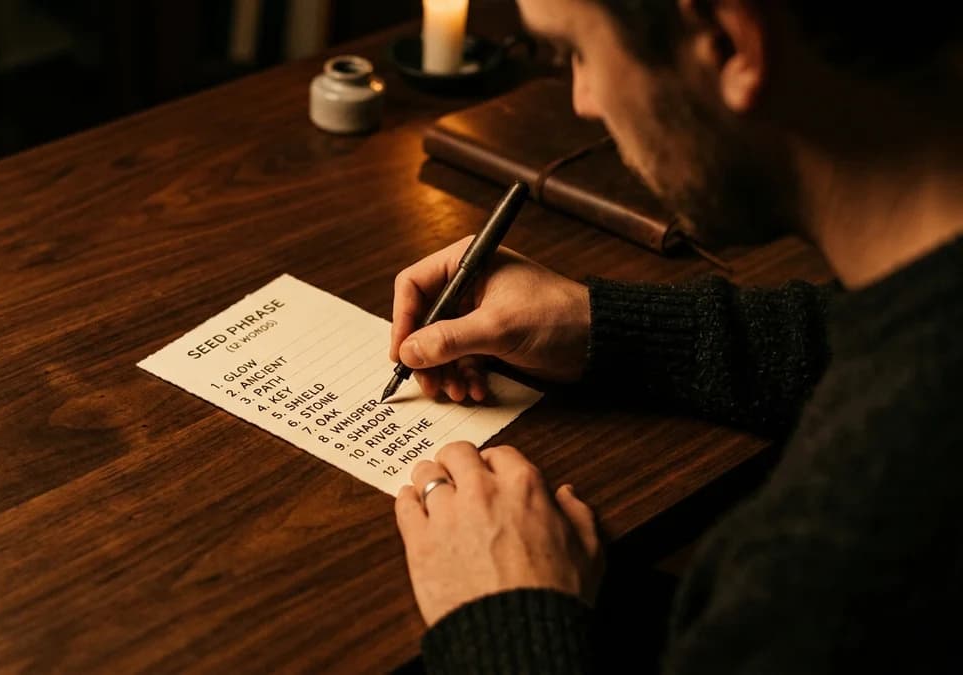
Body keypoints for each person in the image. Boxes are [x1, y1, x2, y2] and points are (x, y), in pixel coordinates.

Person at [389, 0, 963, 672]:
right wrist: (603, 324)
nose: (583, 100)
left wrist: (509, 621)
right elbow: (870, 329)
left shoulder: (843, 551)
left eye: (579, 51)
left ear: (728, 40)